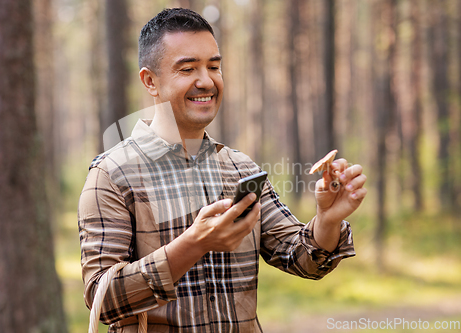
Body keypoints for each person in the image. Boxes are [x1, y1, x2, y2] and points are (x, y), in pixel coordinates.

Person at [78, 7, 367, 333]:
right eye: (187, 69)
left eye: (214, 66)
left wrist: (327, 219)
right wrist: (193, 244)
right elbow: (101, 299)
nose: (206, 81)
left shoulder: (241, 170)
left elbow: (302, 259)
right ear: (150, 81)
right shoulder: (111, 176)